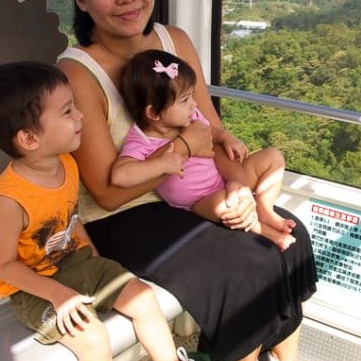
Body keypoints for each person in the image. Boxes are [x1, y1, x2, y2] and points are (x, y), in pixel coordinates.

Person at [57, 0, 317, 361]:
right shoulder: (78, 73)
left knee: (291, 237)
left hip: (189, 190)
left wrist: (239, 184)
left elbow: (211, 126)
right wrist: (181, 152)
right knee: (248, 263)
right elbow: (106, 192)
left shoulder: (173, 41)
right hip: (126, 212)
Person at [0, 61, 234, 361]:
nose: (81, 117)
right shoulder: (9, 197)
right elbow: (4, 265)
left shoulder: (66, 165)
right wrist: (58, 295)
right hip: (33, 287)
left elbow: (71, 224)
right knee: (93, 338)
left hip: (76, 265)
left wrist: (102, 269)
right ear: (28, 137)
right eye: (67, 112)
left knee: (143, 297)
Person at [111, 49, 297, 251]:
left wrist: (226, 138)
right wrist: (160, 164)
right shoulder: (141, 140)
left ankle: (264, 208)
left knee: (273, 157)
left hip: (224, 179)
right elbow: (121, 175)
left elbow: (211, 133)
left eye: (191, 96)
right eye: (184, 100)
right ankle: (265, 231)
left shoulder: (190, 118)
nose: (194, 104)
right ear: (154, 112)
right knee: (227, 205)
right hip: (200, 202)